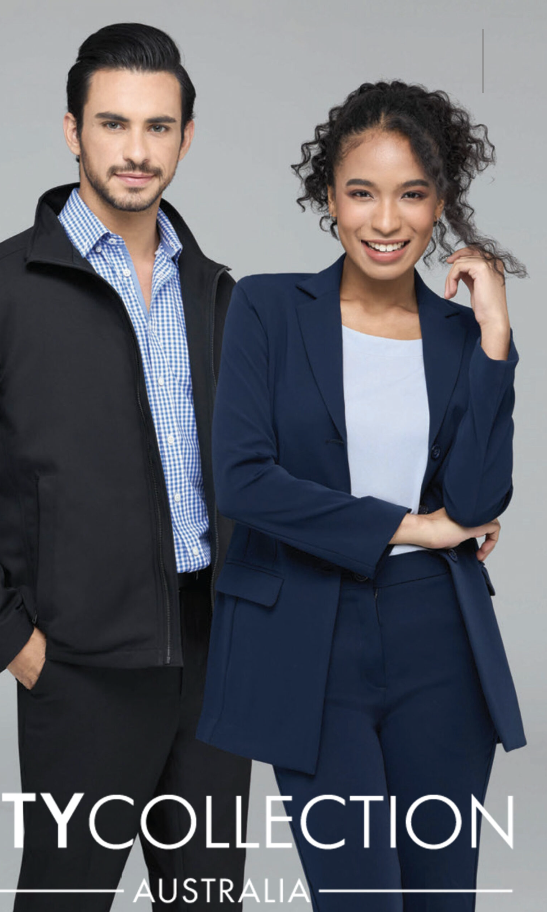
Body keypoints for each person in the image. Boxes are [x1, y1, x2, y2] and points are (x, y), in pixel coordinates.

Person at [0, 22, 251, 911]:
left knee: (208, 900)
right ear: (73, 131)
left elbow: (274, 466)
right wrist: (13, 642)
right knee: (65, 900)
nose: (136, 152)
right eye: (113, 124)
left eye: (158, 127)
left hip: (215, 652)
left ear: (186, 137)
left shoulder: (219, 294)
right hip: (80, 665)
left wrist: (434, 518)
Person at [196, 80, 527, 911]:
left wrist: (495, 338)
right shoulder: (268, 309)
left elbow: (483, 497)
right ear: (329, 200)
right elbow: (242, 480)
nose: (387, 221)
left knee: (441, 900)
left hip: (440, 642)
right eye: (362, 193)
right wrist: (415, 526)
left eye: (412, 194)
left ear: (440, 201)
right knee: (360, 902)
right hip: (310, 638)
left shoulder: (459, 337)